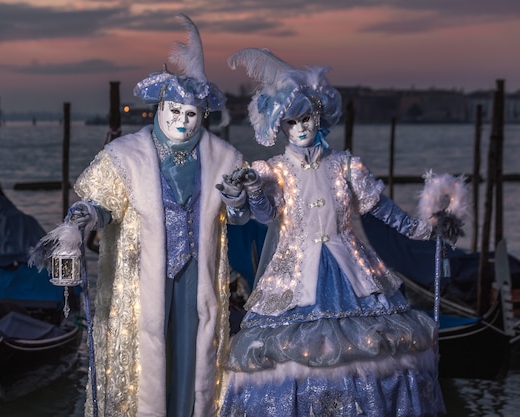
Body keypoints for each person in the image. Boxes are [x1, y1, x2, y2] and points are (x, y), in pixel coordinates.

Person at [33, 14, 245, 417]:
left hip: (196, 281)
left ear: (204, 117)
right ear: (158, 108)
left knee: (193, 360)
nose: (181, 121)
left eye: (191, 114)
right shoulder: (126, 156)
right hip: (140, 280)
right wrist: (80, 219)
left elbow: (238, 216)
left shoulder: (223, 159)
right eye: (174, 110)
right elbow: (99, 205)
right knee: (141, 367)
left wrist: (238, 199)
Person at [216, 48, 446, 417]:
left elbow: (380, 209)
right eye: (292, 123)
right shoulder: (272, 170)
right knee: (290, 356)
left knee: (372, 352)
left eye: (307, 118)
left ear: (318, 117)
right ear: (281, 128)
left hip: (352, 272)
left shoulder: (346, 165)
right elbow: (262, 215)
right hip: (294, 277)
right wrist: (253, 191)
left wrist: (423, 230)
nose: (302, 128)